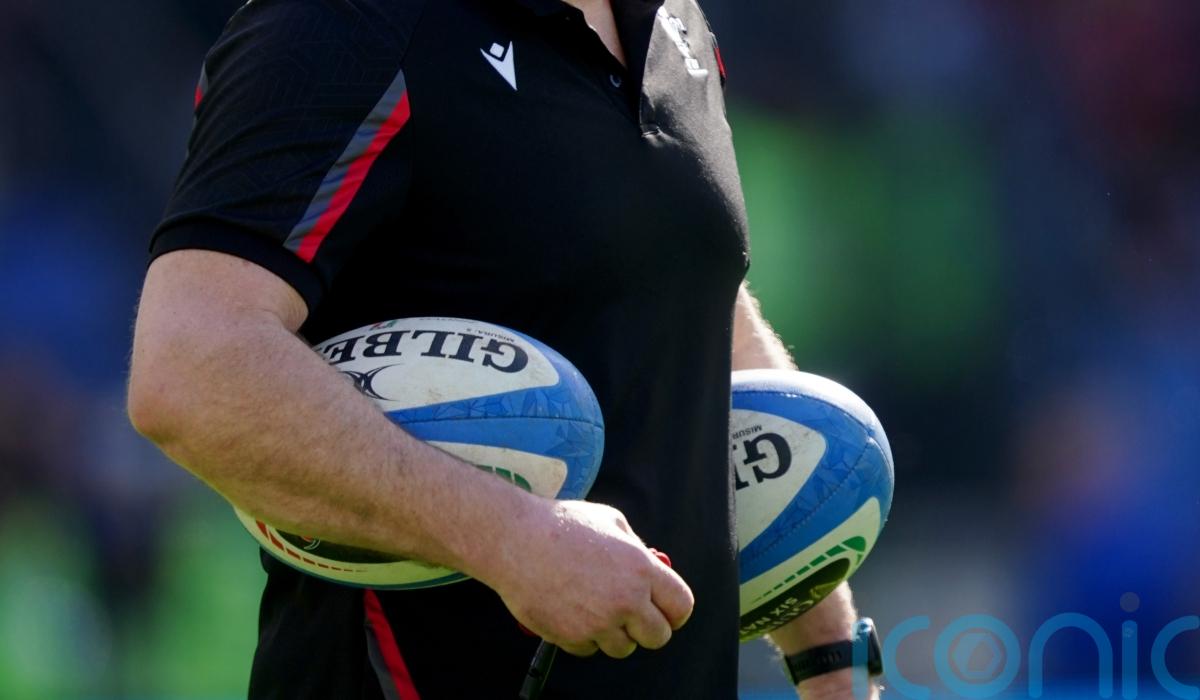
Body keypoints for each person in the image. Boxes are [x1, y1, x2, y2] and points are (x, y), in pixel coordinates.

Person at [128, 0, 876, 697]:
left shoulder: (673, 18)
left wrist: (828, 658)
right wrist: (508, 536)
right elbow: (190, 365)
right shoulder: (343, 21)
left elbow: (694, 308)